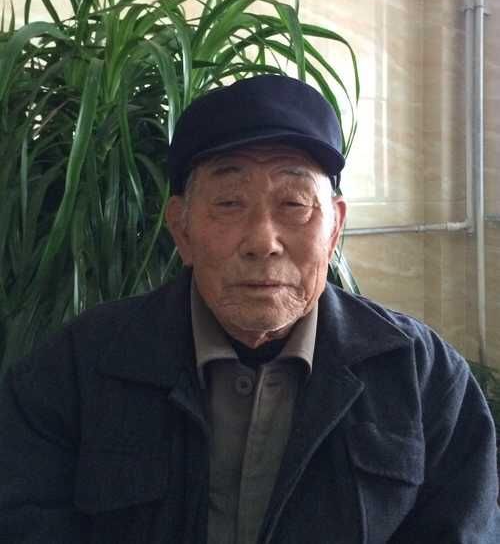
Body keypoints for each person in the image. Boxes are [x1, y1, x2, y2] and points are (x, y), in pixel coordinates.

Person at [0, 74, 498, 543]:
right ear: (181, 229)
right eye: (229, 203)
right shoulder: (79, 365)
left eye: (295, 204)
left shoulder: (423, 375)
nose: (263, 241)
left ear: (334, 229)